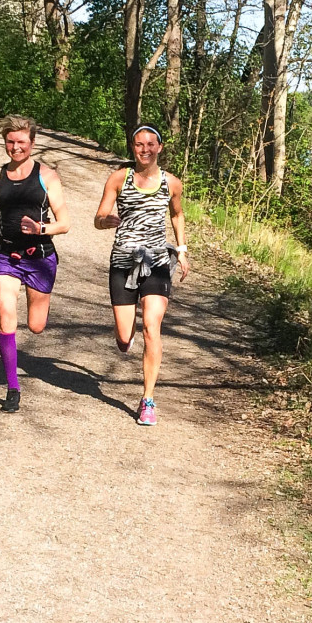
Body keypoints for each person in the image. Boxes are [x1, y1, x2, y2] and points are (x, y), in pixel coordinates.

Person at [0, 115, 70, 413]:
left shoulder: (47, 177)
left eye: (21, 142)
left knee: (36, 326)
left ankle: (34, 311)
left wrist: (41, 228)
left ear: (32, 143)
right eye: (10, 142)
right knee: (5, 314)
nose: (15, 147)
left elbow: (65, 223)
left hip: (40, 257)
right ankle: (13, 389)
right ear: (5, 143)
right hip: (6, 255)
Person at [94, 125, 189, 426]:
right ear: (133, 147)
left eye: (150, 144)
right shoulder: (119, 178)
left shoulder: (171, 183)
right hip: (123, 261)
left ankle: (147, 399)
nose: (144, 149)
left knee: (152, 326)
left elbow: (177, 214)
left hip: (157, 262)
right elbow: (98, 218)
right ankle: (126, 337)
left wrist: (181, 250)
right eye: (138, 145)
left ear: (159, 147)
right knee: (124, 339)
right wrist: (107, 221)